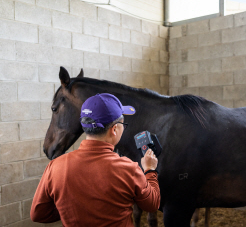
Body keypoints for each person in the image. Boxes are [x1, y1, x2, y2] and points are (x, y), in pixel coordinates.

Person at [31, 93, 160, 226]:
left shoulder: (55, 166)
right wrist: (150, 170)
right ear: (114, 129)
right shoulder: (129, 169)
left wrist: (73, 209)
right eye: (123, 124)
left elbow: (38, 213)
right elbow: (152, 205)